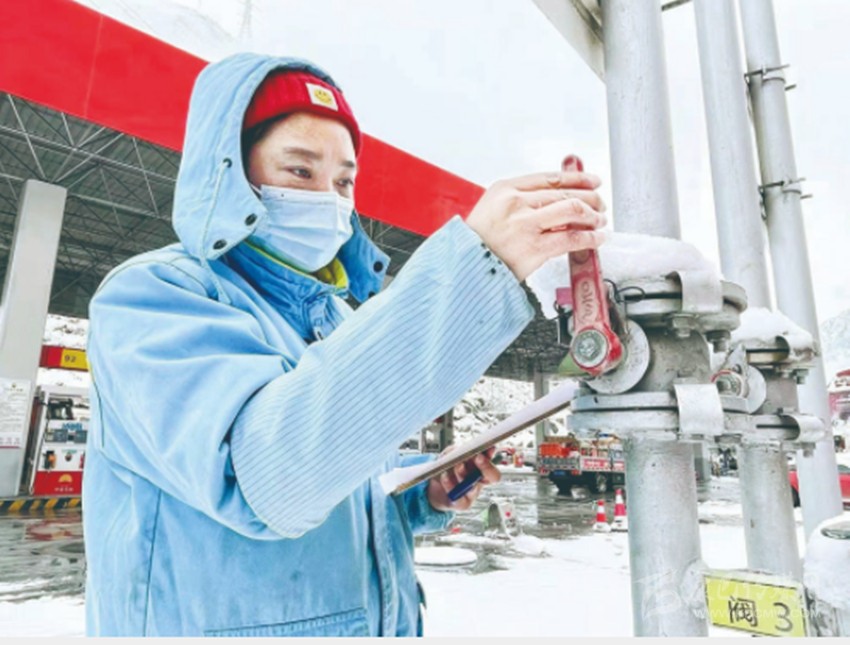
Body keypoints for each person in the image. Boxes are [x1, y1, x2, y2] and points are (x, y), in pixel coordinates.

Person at [82, 53, 607, 637]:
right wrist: (473, 269)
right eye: (300, 171)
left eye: (343, 182)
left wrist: (420, 489)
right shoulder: (154, 297)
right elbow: (264, 480)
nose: (328, 199)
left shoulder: (333, 315)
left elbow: (339, 479)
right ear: (230, 173)